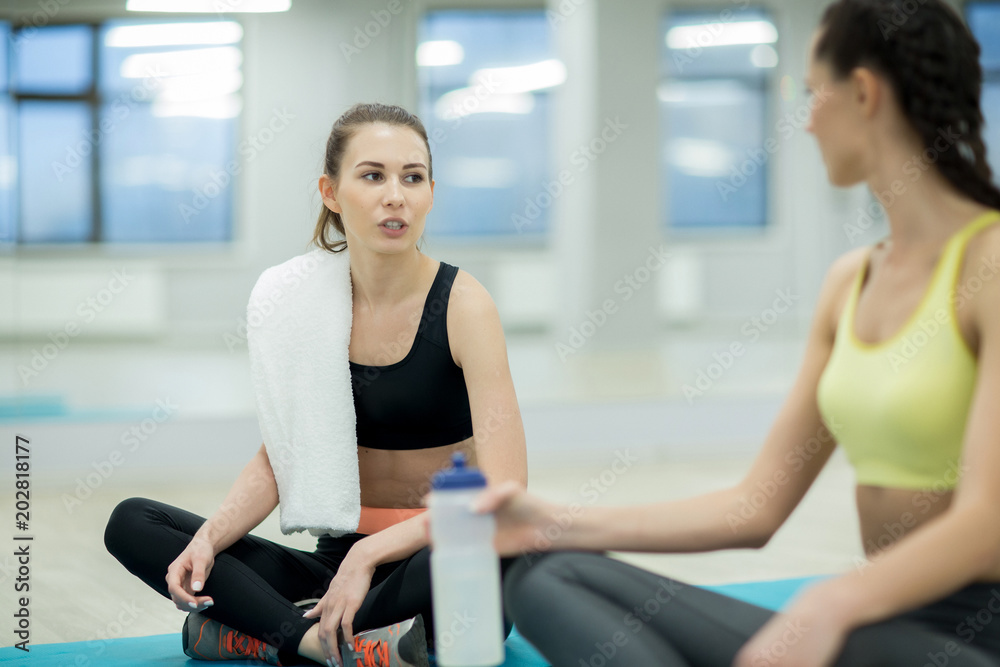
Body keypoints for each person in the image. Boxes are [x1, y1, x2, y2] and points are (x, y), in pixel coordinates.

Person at [469, 1, 1000, 665]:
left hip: (972, 633)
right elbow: (755, 506)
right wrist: (552, 522)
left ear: (863, 92)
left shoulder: (990, 263)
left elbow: (986, 525)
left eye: (812, 95)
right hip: (876, 623)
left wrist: (829, 602)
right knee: (549, 574)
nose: (804, 121)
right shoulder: (850, 282)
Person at [104, 102, 528, 667]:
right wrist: (208, 538)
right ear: (331, 191)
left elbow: (507, 490)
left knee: (506, 554)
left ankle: (260, 630)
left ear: (430, 192)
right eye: (373, 175)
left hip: (434, 556)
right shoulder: (299, 301)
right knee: (134, 522)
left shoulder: (464, 305)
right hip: (334, 562)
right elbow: (282, 456)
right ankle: (319, 642)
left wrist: (372, 555)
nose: (395, 195)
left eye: (413, 177)